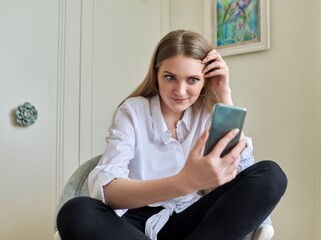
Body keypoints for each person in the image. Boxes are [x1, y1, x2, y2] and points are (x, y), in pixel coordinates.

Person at [57, 29, 287, 240]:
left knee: (271, 175)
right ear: (157, 75)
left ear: (204, 81)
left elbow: (241, 179)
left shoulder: (209, 114)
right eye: (170, 77)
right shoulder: (133, 111)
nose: (180, 91)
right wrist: (184, 182)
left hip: (192, 223)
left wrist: (224, 94)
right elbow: (108, 191)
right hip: (134, 224)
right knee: (76, 212)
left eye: (193, 80)